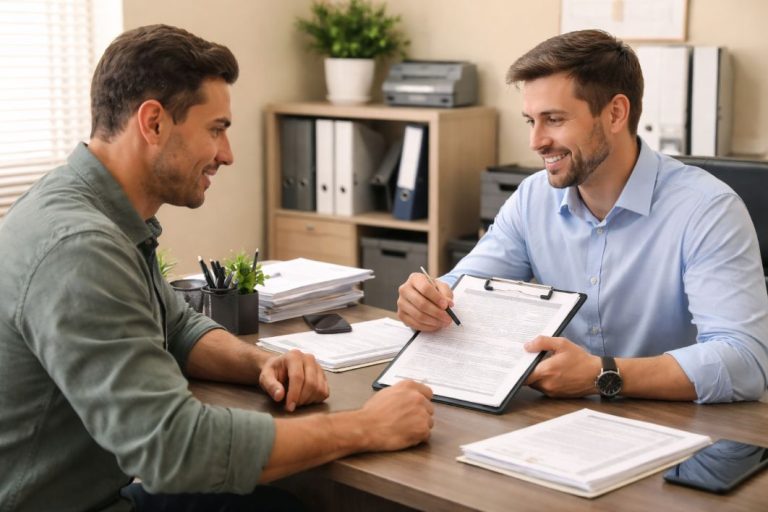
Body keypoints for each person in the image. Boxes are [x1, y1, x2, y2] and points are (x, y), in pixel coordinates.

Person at [0, 24, 433, 512]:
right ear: (154, 123)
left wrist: (263, 365)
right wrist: (365, 426)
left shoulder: (89, 209)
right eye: (217, 129)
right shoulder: (79, 247)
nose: (227, 155)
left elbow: (178, 326)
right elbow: (174, 449)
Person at [397, 29, 768, 404]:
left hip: (680, 429)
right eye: (531, 121)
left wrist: (602, 374)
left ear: (615, 113)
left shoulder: (707, 210)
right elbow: (465, 290)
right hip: (559, 421)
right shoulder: (533, 197)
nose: (536, 142)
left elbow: (745, 362)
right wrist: (427, 299)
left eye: (554, 119)